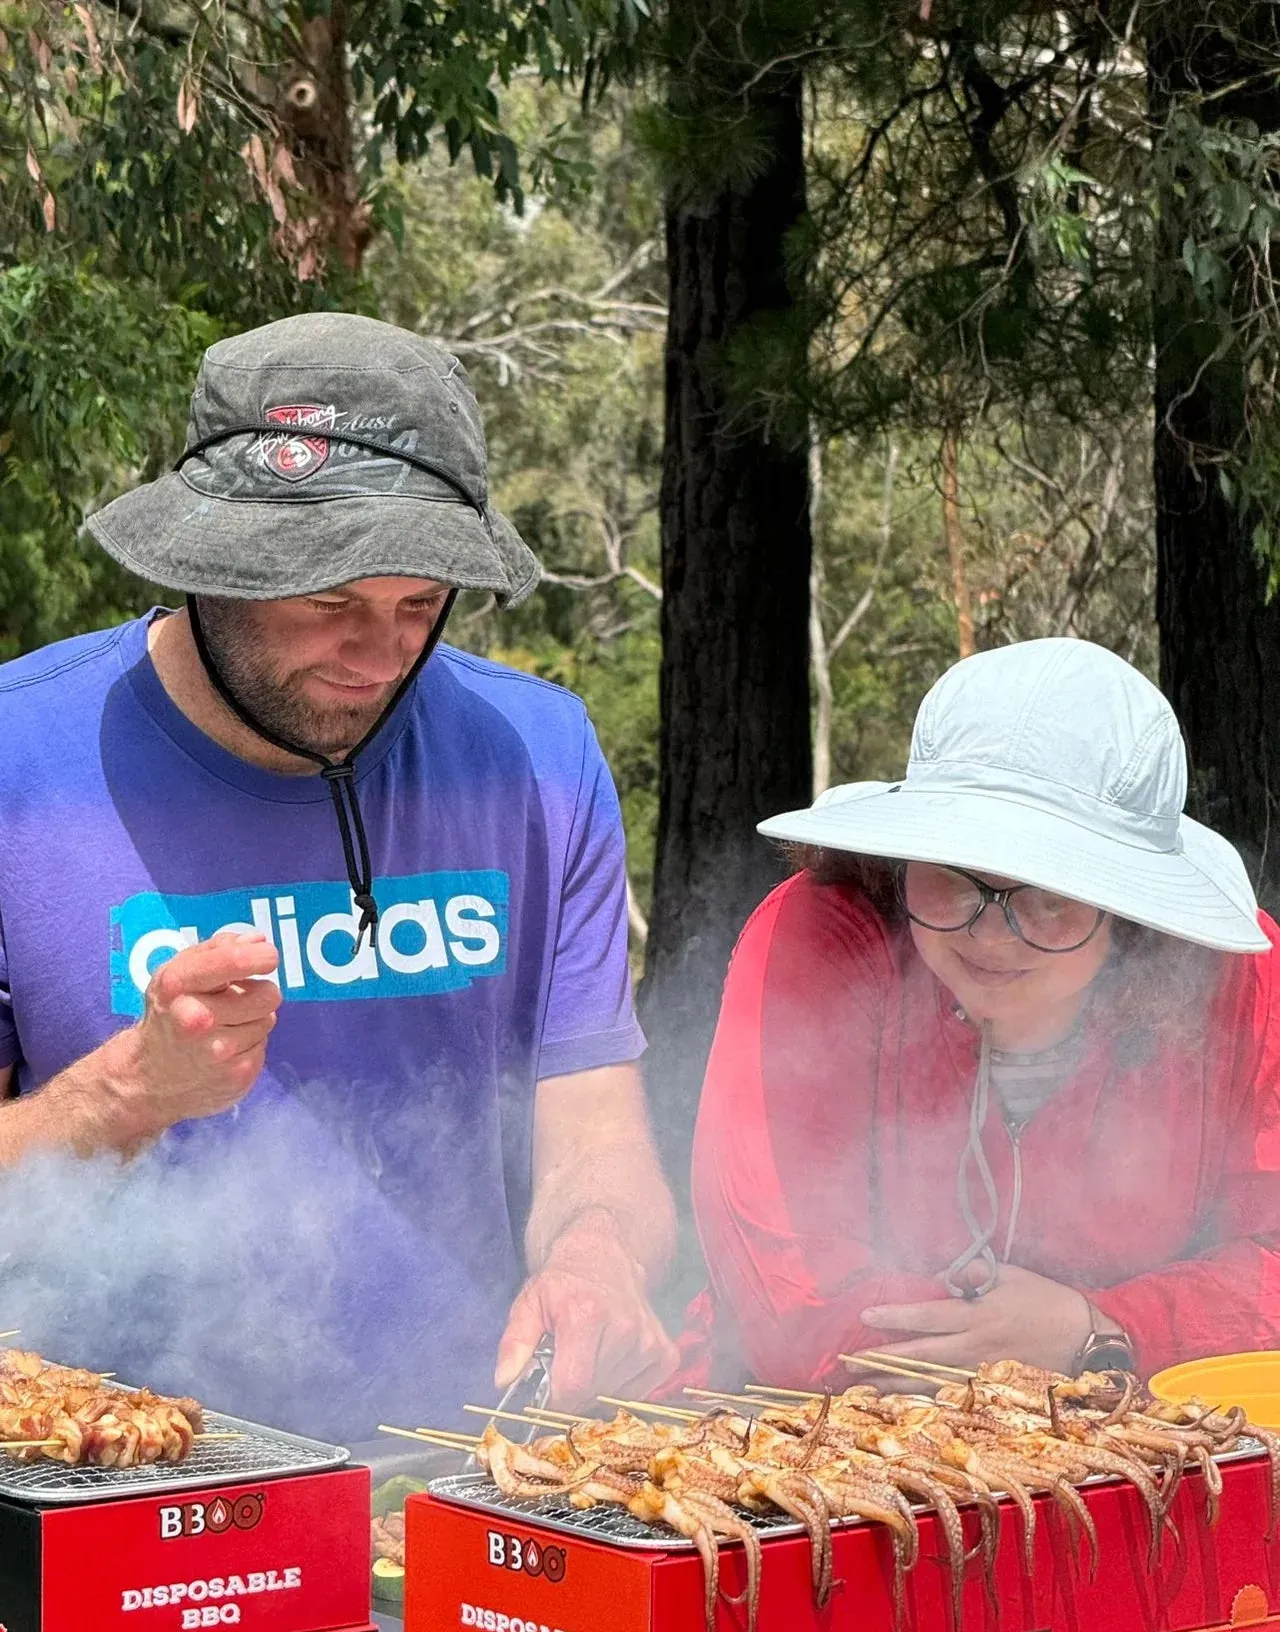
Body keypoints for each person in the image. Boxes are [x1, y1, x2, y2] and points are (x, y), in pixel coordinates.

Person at [0, 311, 676, 1436]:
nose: (381, 656)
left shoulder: (535, 759)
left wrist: (596, 1254)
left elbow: (595, 1133)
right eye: (330, 604)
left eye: (420, 605)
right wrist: (130, 1095)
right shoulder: (21, 761)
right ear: (212, 566)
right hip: (104, 1497)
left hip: (454, 1479)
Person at [692, 636, 1280, 1391]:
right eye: (957, 876)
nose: (992, 931)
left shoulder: (1241, 975)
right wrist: (1023, 1352)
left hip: (1139, 1453)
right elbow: (791, 1299)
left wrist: (1096, 1329)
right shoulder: (821, 937)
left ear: (1133, 912)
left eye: (1051, 892)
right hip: (796, 1443)